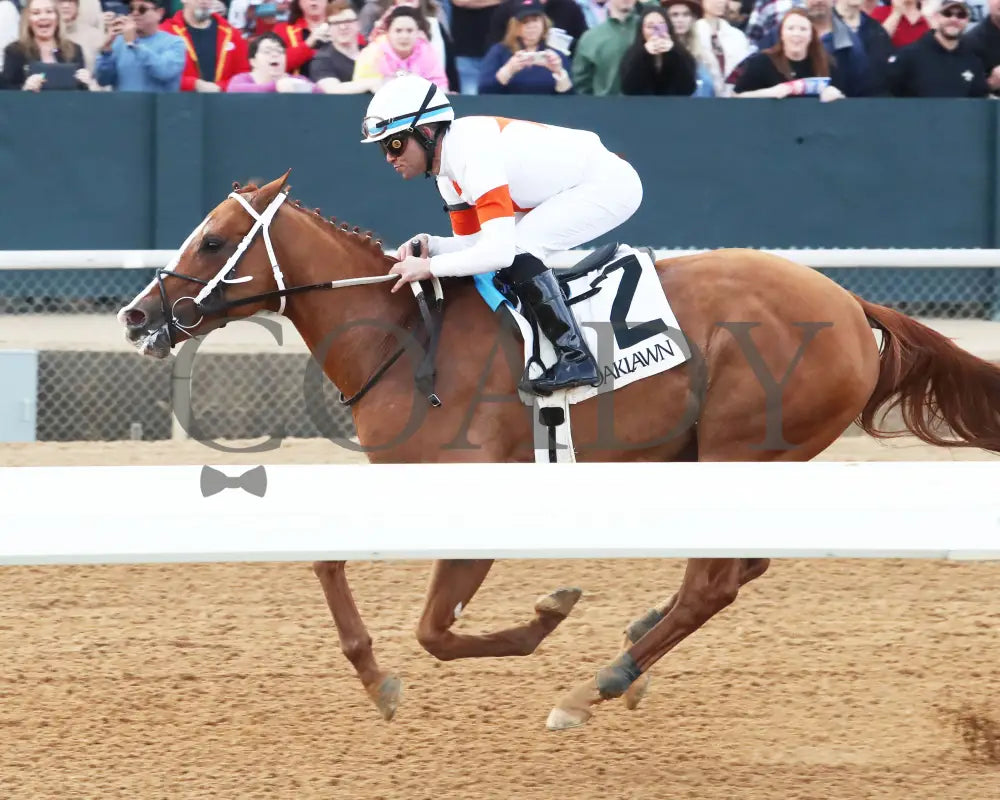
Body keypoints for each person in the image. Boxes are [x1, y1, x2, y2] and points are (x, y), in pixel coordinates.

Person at [360, 73, 644, 395]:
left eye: (394, 143)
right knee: (514, 250)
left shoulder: (472, 153)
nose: (389, 157)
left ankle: (576, 357)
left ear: (425, 133)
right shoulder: (447, 175)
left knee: (520, 250)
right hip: (572, 187)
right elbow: (473, 245)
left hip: (607, 186)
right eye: (384, 147)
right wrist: (433, 245)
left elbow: (499, 253)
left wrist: (428, 268)